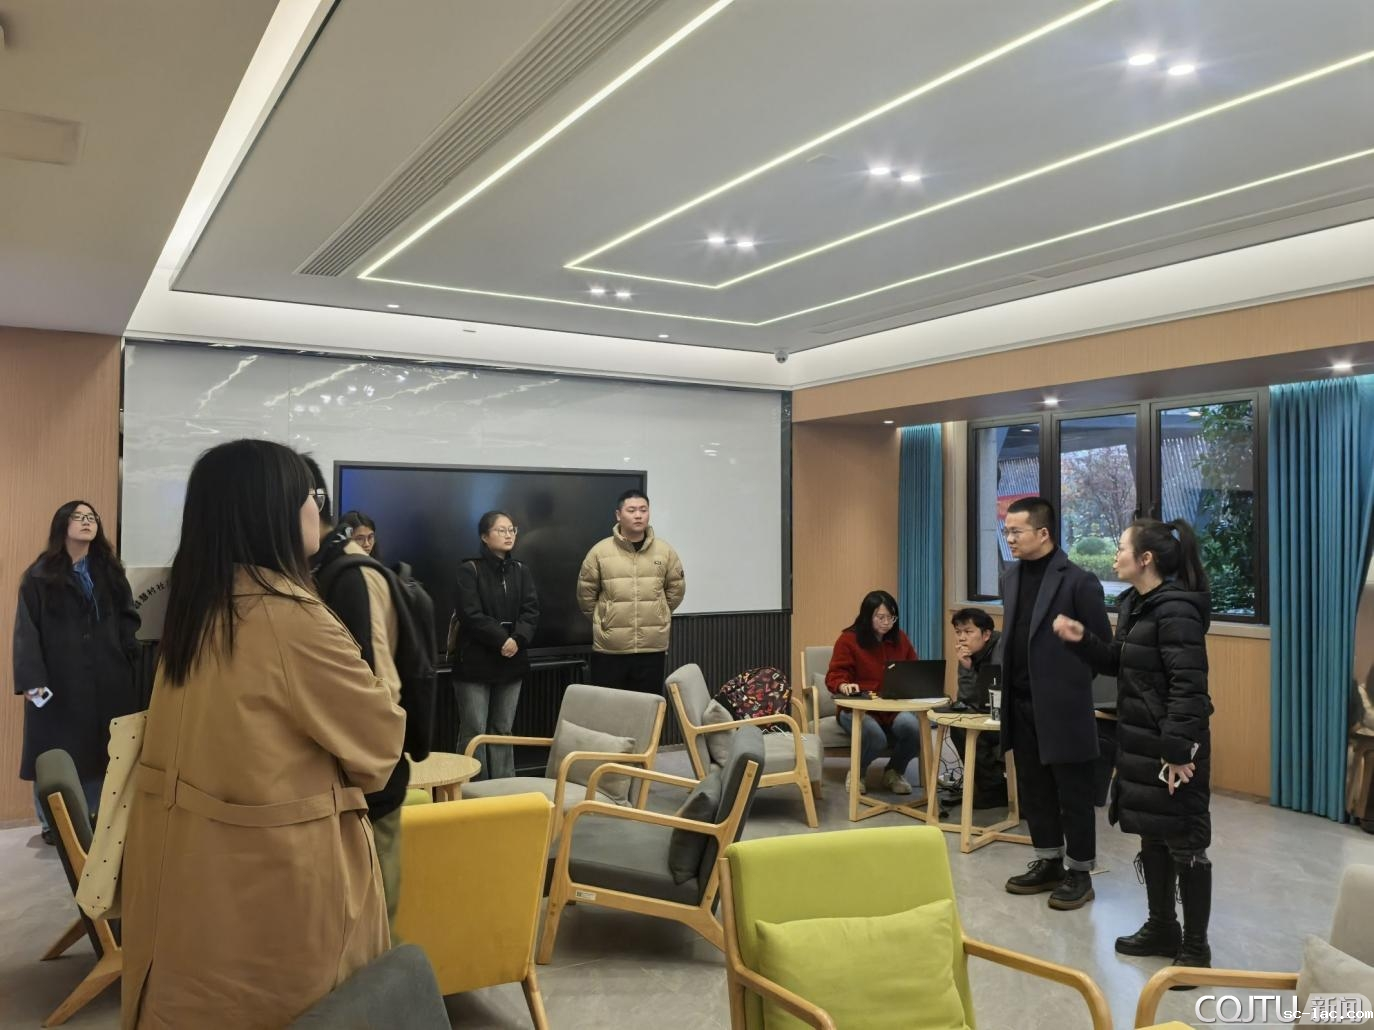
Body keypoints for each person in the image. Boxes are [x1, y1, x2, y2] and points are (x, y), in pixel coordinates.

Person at [121, 440, 404, 1029]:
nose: (317, 509)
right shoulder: (290, 617)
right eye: (308, 495)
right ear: (270, 509)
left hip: (191, 871)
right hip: (275, 881)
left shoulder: (196, 607)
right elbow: (379, 748)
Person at [1054, 518, 1214, 972]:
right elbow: (1121, 661)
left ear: (1146, 559)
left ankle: (1196, 949)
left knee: (1186, 843)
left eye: (1122, 547)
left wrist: (1178, 751)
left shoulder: (1176, 610)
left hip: (1172, 748)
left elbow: (1189, 686)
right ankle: (1162, 927)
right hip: (1141, 742)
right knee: (1152, 835)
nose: (1115, 555)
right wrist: (1084, 640)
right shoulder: (1136, 605)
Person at [304, 459, 414, 933]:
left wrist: (371, 766)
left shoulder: (351, 574)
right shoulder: (319, 567)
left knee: (376, 902)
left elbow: (379, 686)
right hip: (340, 762)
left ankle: (380, 970)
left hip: (369, 767)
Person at [998, 497, 1111, 911]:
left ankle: (1079, 872)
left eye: (1016, 531)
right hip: (1020, 702)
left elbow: (1101, 650)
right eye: (1007, 531)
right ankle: (1048, 860)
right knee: (1034, 789)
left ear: (1043, 533)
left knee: (1073, 793)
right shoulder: (1010, 577)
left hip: (1063, 706)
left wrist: (1066, 686)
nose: (1009, 538)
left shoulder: (1079, 581)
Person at [12, 500, 140, 845]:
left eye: (91, 517)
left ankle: (92, 819)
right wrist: (32, 681)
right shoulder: (39, 575)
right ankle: (53, 824)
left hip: (108, 677)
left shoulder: (110, 572)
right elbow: (26, 630)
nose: (86, 522)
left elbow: (128, 618)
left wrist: (128, 654)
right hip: (58, 680)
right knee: (53, 751)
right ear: (62, 525)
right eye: (78, 517)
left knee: (100, 750)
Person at [452, 510, 539, 779]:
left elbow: (531, 611)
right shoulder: (469, 569)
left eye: (512, 529)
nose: (508, 535)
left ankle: (503, 786)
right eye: (501, 530)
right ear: (484, 536)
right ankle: (472, 788)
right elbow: (470, 614)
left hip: (512, 659)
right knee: (474, 730)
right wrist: (502, 639)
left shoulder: (521, 570)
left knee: (503, 728)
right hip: (476, 660)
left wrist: (517, 639)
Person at [577, 489, 685, 693]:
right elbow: (586, 595)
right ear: (619, 515)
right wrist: (605, 618)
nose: (638, 515)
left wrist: (659, 612)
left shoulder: (665, 552)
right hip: (610, 648)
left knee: (648, 706)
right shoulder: (600, 552)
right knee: (609, 705)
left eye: (643, 510)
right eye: (632, 510)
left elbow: (675, 590)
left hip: (652, 647)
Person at [825, 590, 922, 795]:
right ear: (867, 616)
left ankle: (894, 772)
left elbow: (914, 668)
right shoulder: (848, 640)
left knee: (914, 729)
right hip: (858, 708)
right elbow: (835, 674)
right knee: (875, 736)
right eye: (881, 617)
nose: (887, 623)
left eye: (891, 617)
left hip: (891, 707)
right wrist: (843, 685)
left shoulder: (900, 639)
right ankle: (857, 773)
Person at [942, 607, 1007, 808]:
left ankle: (997, 787)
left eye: (968, 632)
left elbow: (999, 693)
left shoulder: (1002, 648)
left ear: (986, 634)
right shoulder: (967, 654)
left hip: (1008, 717)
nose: (962, 638)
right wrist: (967, 667)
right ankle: (992, 786)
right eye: (958, 632)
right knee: (959, 726)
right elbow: (967, 700)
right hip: (985, 715)